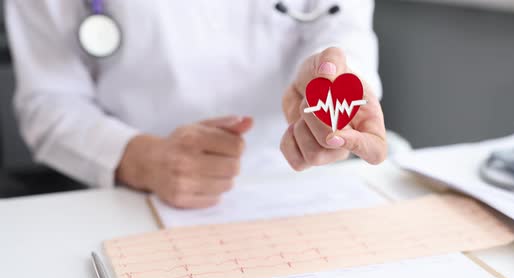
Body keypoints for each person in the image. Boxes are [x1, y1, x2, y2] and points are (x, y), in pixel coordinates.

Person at [5, 0, 387, 208]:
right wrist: (138, 158)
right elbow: (49, 99)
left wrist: (334, 81)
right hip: (133, 196)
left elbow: (342, 28)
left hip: (301, 184)